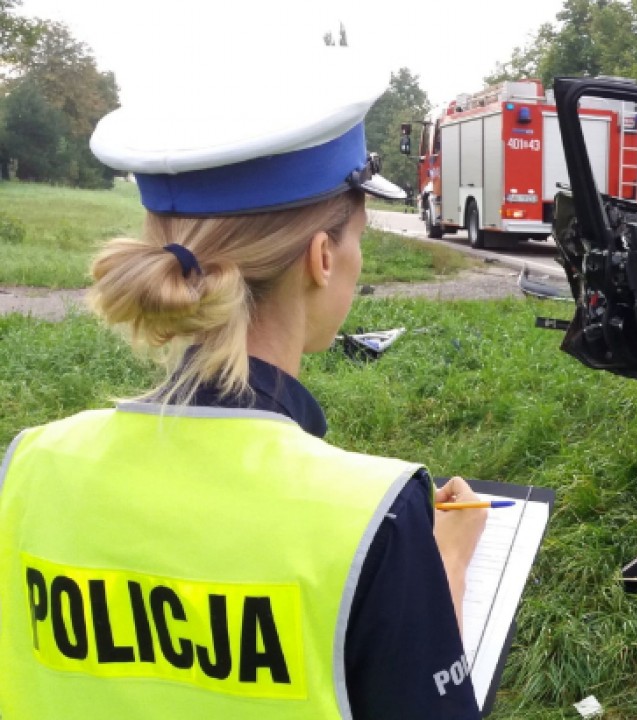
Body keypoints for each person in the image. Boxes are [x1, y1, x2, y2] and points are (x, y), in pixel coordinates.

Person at [0, 51, 488, 719]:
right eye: (357, 239)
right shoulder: (375, 516)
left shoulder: (27, 467)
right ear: (322, 257)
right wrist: (448, 567)